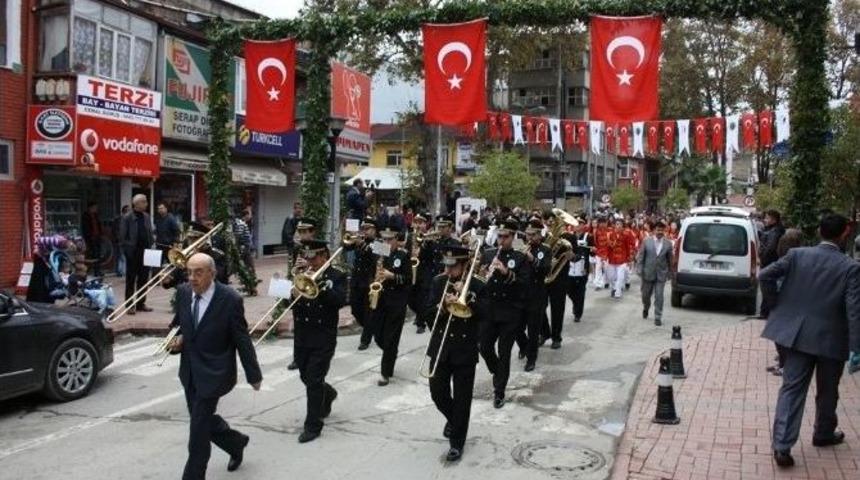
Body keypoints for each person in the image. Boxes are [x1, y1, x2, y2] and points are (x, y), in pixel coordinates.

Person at [759, 213, 860, 468]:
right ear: (844, 233)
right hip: (832, 338)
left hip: (797, 335)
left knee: (792, 388)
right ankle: (823, 432)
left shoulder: (797, 255)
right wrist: (856, 347)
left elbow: (764, 275)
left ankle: (782, 445)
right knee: (828, 389)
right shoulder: (850, 267)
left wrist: (777, 305)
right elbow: (854, 310)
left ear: (819, 231)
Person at [165, 253, 262, 480]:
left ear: (212, 273)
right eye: (189, 272)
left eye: (198, 273)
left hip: (215, 372)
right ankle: (235, 442)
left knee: (198, 430)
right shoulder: (183, 292)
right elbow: (179, 326)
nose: (192, 278)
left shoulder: (230, 299)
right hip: (190, 371)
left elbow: (241, 339)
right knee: (202, 420)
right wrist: (176, 341)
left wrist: (253, 374)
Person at [425, 244, 486, 462]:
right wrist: (442, 306)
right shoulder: (438, 282)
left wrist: (468, 297)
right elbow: (427, 314)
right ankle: (454, 420)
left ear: (465, 264)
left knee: (462, 399)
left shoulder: (478, 285)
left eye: (453, 267)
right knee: (437, 393)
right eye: (446, 266)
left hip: (464, 349)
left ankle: (457, 443)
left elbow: (487, 314)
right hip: (441, 347)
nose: (448, 271)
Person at [289, 240, 347, 443]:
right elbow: (290, 303)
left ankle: (313, 426)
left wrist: (322, 287)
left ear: (324, 256)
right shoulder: (302, 273)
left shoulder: (336, 275)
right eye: (308, 258)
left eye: (313, 258)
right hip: (302, 335)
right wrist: (292, 288)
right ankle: (328, 393)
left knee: (313, 380)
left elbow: (340, 300)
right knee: (305, 375)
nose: (310, 262)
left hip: (323, 335)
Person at [479, 218, 530, 408]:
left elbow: (524, 285)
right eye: (499, 236)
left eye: (505, 236)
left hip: (509, 311)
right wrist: (482, 273)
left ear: (513, 236)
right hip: (489, 309)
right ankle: (498, 372)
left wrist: (506, 272)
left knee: (504, 352)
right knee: (484, 347)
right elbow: (480, 280)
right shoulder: (488, 253)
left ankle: (499, 391)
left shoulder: (520, 257)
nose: (501, 240)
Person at [372, 226, 412, 386]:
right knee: (378, 336)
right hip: (381, 299)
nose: (386, 242)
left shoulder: (403, 255)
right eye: (384, 239)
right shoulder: (380, 251)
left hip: (397, 301)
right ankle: (391, 353)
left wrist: (392, 276)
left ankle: (385, 373)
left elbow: (408, 279)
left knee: (389, 339)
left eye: (390, 239)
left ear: (396, 239)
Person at [515, 219, 551, 371]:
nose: (529, 238)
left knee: (533, 330)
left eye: (532, 235)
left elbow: (546, 270)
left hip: (536, 294)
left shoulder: (545, 250)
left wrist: (532, 259)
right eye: (527, 234)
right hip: (520, 294)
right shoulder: (520, 248)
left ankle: (531, 359)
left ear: (539, 235)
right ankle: (524, 346)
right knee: (516, 327)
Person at [345, 217, 379, 350]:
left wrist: (363, 244)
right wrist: (349, 237)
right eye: (363, 228)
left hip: (370, 282)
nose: (364, 231)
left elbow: (376, 258)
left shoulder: (380, 244)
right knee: (355, 309)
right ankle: (371, 328)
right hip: (356, 281)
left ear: (375, 230)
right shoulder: (359, 242)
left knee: (368, 311)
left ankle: (365, 340)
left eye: (368, 229)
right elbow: (346, 247)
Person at [119, 194, 154, 314]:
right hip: (133, 252)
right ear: (137, 204)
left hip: (146, 251)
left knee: (144, 279)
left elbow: (149, 232)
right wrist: (127, 252)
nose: (146, 204)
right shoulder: (127, 217)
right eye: (144, 202)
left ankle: (140, 303)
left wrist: (151, 243)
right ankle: (129, 305)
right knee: (131, 279)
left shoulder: (146, 216)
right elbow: (122, 237)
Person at [636, 221, 673, 326]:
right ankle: (646, 307)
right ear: (654, 230)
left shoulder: (668, 244)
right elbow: (641, 257)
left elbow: (670, 259)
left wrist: (670, 272)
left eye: (662, 230)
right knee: (645, 296)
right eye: (658, 230)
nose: (660, 232)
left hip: (661, 274)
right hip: (647, 273)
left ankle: (658, 317)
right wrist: (639, 269)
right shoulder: (646, 241)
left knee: (659, 296)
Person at [407, 212, 437, 334]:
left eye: (421, 223)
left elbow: (432, 255)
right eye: (416, 222)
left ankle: (421, 323)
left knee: (422, 298)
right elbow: (407, 252)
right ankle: (420, 314)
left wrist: (423, 247)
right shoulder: (410, 236)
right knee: (410, 299)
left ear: (426, 224)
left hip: (425, 271)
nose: (418, 225)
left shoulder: (430, 237)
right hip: (412, 270)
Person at [758, 210, 786, 318]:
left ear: (774, 220)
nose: (765, 220)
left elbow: (770, 247)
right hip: (770, 261)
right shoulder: (772, 230)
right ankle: (765, 311)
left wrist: (763, 257)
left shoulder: (775, 231)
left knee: (767, 286)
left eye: (767, 218)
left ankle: (766, 312)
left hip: (769, 261)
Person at [567, 219, 593, 323]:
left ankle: (578, 313)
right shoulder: (569, 236)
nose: (576, 226)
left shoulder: (589, 236)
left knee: (580, 291)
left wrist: (593, 251)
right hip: (570, 267)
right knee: (569, 290)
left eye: (578, 224)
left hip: (582, 267)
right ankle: (575, 303)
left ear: (583, 225)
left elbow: (592, 252)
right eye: (574, 224)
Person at [605, 219, 635, 299]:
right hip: (612, 259)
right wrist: (605, 256)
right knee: (611, 277)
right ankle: (614, 288)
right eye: (617, 224)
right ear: (614, 225)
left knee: (620, 277)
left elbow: (628, 247)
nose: (618, 226)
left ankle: (618, 293)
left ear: (623, 226)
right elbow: (607, 247)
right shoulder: (610, 235)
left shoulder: (626, 235)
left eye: (620, 224)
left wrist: (629, 258)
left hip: (622, 259)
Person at [233, 208, 256, 285]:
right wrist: (241, 247)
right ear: (246, 215)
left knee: (246, 264)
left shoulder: (242, 223)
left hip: (244, 247)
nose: (251, 216)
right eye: (250, 214)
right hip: (244, 248)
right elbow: (238, 236)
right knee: (249, 264)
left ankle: (250, 278)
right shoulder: (241, 224)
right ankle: (251, 279)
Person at [81, 202, 103, 277]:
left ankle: (97, 271)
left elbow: (99, 225)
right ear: (90, 208)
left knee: (98, 255)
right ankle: (87, 270)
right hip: (90, 239)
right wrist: (88, 237)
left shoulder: (96, 215)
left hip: (97, 238)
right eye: (94, 207)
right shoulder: (85, 216)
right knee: (90, 255)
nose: (96, 209)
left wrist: (100, 235)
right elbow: (85, 228)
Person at [112, 205, 130, 276]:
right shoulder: (118, 219)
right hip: (120, 241)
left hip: (127, 242)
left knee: (124, 256)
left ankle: (123, 271)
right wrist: (119, 238)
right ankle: (120, 271)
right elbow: (115, 230)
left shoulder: (130, 219)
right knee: (121, 257)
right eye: (128, 211)